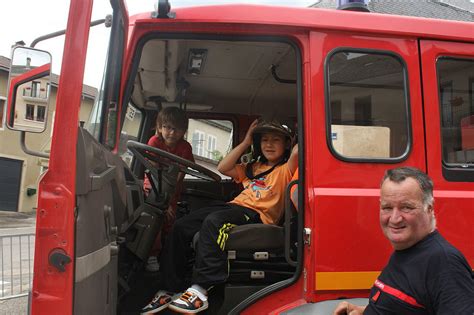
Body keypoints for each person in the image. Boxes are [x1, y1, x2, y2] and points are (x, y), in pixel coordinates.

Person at [140, 120, 298, 314]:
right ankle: (169, 289)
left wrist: (296, 133)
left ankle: (201, 289)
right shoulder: (252, 167)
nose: (269, 144)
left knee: (214, 222)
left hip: (257, 214)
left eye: (276, 140)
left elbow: (298, 152)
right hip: (233, 206)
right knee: (181, 225)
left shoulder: (286, 169)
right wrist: (247, 141)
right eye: (264, 140)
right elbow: (223, 167)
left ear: (287, 144)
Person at [333, 166, 474, 315]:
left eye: (406, 207)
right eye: (387, 207)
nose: (394, 218)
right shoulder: (408, 250)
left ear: (429, 209)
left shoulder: (444, 262)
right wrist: (363, 311)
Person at [144, 106, 194, 272]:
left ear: (183, 131)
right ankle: (151, 254)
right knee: (155, 217)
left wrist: (170, 200)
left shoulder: (185, 148)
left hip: (172, 189)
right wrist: (163, 202)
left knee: (169, 222)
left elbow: (181, 173)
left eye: (176, 129)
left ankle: (165, 255)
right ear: (159, 127)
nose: (171, 133)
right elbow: (153, 170)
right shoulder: (154, 142)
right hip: (153, 185)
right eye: (166, 127)